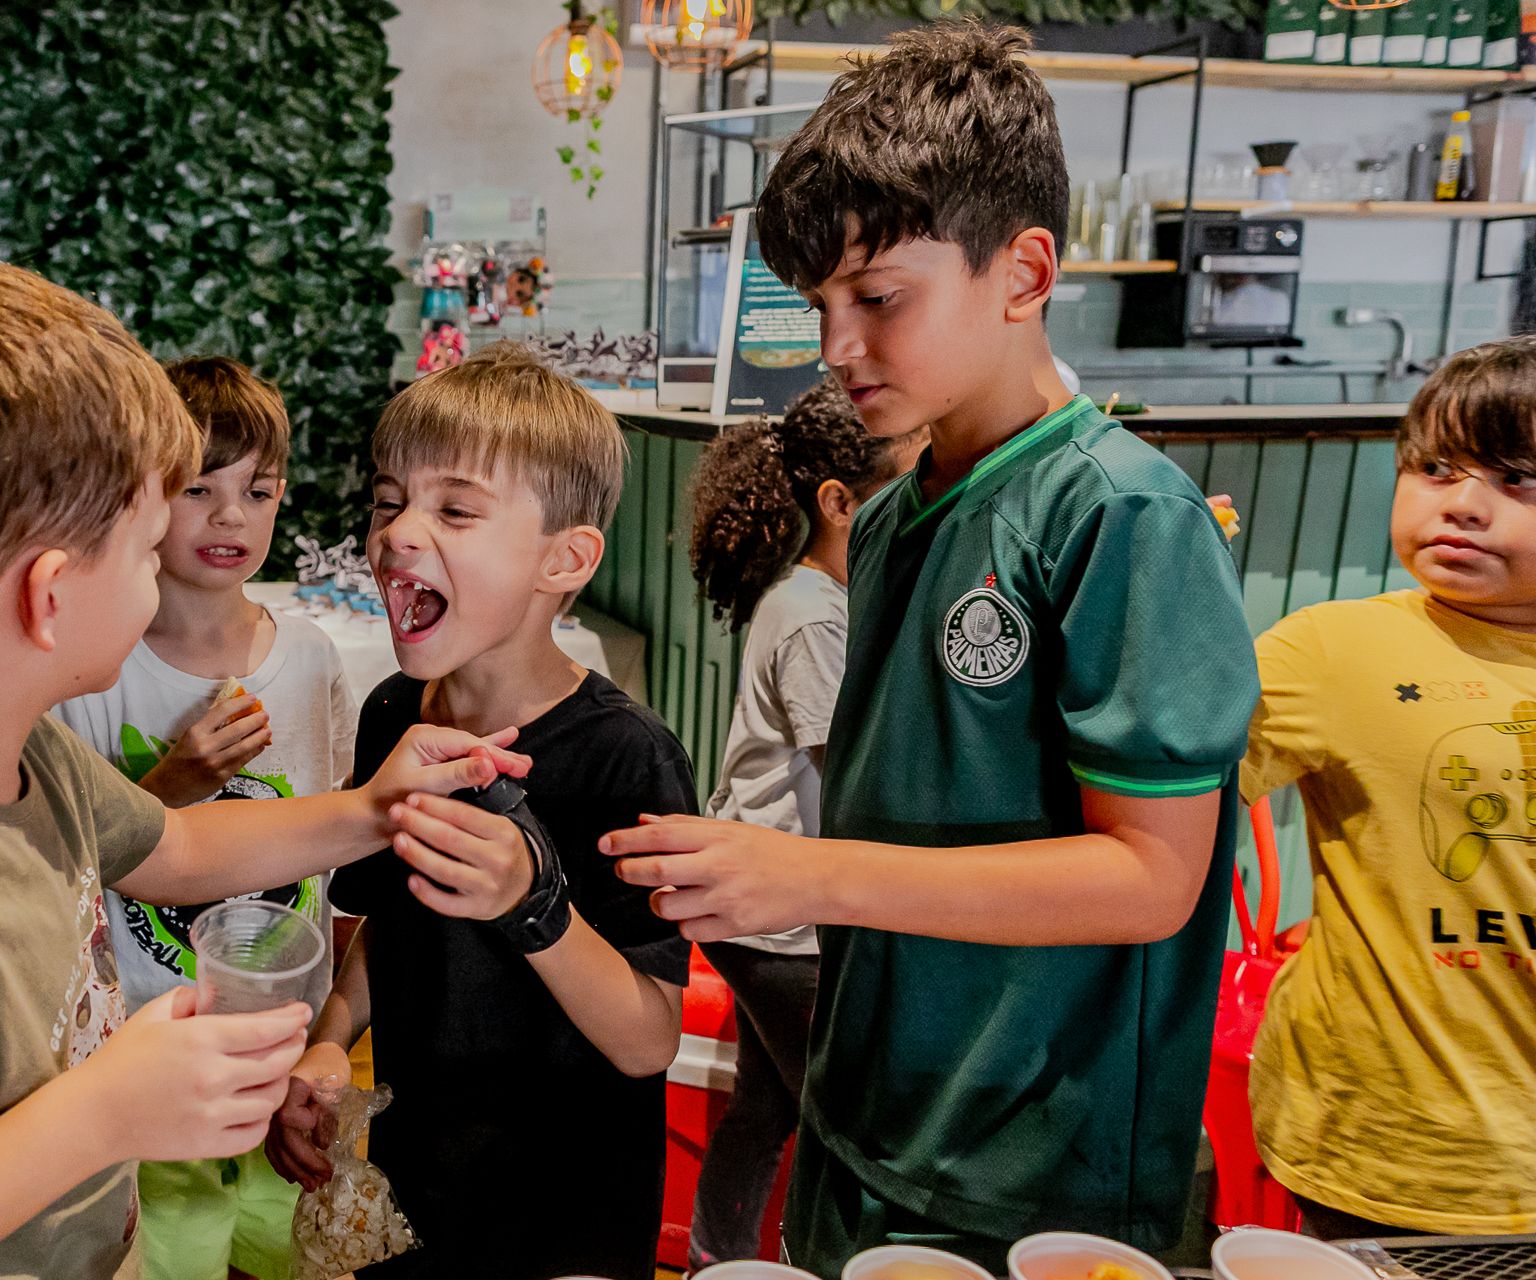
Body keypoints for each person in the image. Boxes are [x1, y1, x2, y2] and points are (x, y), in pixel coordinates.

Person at [0, 256, 526, 1280]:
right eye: (147, 550)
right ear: (49, 595)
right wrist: (102, 1113)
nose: (157, 577)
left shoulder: (26, 753)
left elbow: (177, 847)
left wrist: (372, 808)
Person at [602, 23, 1259, 1277]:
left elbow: (1151, 878)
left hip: (1034, 1167)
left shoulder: (1120, 512)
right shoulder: (891, 516)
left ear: (1023, 272)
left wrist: (808, 874)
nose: (835, 347)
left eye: (878, 298)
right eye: (820, 305)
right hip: (873, 1114)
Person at [265, 343, 694, 1280]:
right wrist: (330, 1042)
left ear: (565, 559)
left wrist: (533, 904)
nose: (399, 533)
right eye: (388, 501)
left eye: (455, 509)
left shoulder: (628, 756)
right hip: (417, 1178)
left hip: (566, 1213)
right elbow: (387, 919)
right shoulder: (394, 714)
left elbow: (648, 1038)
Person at [55, 354, 356, 1280]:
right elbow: (69, 863)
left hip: (287, 1034)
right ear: (142, 497)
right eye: (199, 489)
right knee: (175, 1247)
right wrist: (173, 782)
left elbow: (337, 834)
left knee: (288, 1241)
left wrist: (334, 1022)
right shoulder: (98, 669)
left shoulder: (309, 656)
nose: (231, 516)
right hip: (156, 1042)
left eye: (257, 492)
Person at [1243, 338, 1536, 1239]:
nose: (1463, 505)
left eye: (1518, 478)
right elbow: (1143, 793)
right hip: (1385, 1147)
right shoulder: (1332, 652)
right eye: (1436, 468)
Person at [682, 380, 921, 1271]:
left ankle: (714, 1258)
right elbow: (848, 775)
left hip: (761, 904)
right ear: (839, 503)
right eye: (910, 484)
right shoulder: (812, 617)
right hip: (779, 921)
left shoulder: (813, 597)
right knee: (843, 1118)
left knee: (767, 1102)